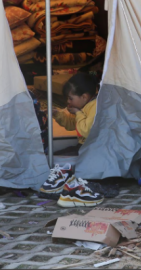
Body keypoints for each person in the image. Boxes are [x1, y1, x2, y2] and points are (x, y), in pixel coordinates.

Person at [38, 72, 104, 207]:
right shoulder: (82, 106)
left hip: (93, 149)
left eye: (70, 98)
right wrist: (58, 115)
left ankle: (67, 177)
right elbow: (71, 125)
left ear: (84, 97)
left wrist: (78, 114)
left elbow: (85, 130)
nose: (68, 102)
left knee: (67, 157)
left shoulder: (94, 107)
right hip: (82, 146)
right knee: (63, 153)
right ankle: (63, 175)